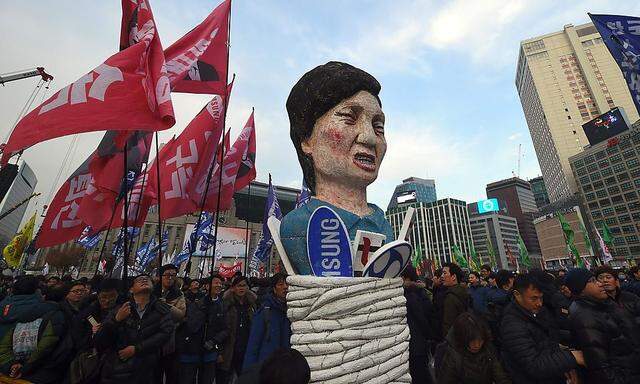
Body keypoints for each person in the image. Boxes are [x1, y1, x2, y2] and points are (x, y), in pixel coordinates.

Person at [280, 61, 393, 274]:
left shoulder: (385, 226)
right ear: (307, 140)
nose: (369, 138)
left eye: (378, 126)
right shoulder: (297, 226)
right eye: (349, 118)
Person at [500, 273, 582, 384]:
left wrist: (565, 366)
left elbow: (550, 342)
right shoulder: (512, 325)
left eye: (541, 298)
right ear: (517, 295)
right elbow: (534, 365)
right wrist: (572, 357)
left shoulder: (540, 312)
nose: (539, 303)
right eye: (534, 298)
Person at [95, 273, 173, 384]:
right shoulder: (119, 309)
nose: (144, 280)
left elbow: (165, 334)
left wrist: (136, 349)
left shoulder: (162, 310)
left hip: (147, 371)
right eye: (139, 280)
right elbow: (100, 341)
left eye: (147, 279)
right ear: (131, 289)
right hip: (118, 371)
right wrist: (116, 320)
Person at [566, 268, 640, 383]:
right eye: (593, 281)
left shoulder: (602, 303)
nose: (601, 284)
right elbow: (600, 367)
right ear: (580, 289)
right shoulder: (585, 316)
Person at [0, 276, 67, 383]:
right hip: (22, 366)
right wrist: (24, 366)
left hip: (6, 360)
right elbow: (45, 345)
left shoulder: (3, 304)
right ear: (37, 290)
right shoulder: (42, 310)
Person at [177, 274, 228, 384]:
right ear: (207, 286)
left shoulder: (223, 305)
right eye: (216, 283)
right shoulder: (197, 303)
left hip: (210, 353)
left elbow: (225, 329)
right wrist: (204, 310)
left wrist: (214, 341)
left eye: (220, 283)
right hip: (191, 351)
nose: (219, 285)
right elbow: (192, 326)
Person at [437, 312, 510, 384]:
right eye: (472, 342)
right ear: (463, 339)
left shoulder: (488, 348)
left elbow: (500, 375)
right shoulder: (452, 357)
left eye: (480, 340)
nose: (477, 345)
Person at [243, 273, 291, 371]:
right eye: (280, 284)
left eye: (287, 284)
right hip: (267, 368)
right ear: (274, 288)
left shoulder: (295, 311)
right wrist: (248, 373)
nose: (285, 287)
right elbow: (254, 344)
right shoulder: (265, 311)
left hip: (288, 367)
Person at [219, 276, 257, 383]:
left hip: (246, 349)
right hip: (229, 349)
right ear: (233, 288)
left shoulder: (252, 304)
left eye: (244, 285)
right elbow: (220, 328)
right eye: (238, 286)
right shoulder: (226, 304)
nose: (241, 288)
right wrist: (219, 352)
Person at [400, 266, 434, 384]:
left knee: (420, 375)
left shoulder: (410, 296)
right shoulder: (420, 292)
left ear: (406, 278)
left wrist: (428, 335)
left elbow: (421, 319)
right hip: (419, 342)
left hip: (415, 343)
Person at [154, 264, 186, 384]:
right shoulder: (152, 292)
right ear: (160, 276)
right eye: (167, 275)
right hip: (152, 341)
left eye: (173, 275)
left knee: (172, 376)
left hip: (171, 343)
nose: (170, 278)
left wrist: (166, 306)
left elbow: (181, 315)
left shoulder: (179, 294)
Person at [441, 263, 470, 338]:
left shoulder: (450, 297)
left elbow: (448, 324)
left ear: (453, 277)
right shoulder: (464, 292)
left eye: (444, 273)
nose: (442, 276)